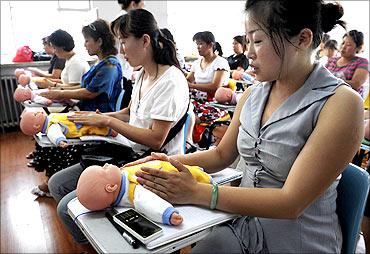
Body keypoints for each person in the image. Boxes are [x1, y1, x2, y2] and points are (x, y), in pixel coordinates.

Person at [129, 1, 364, 253]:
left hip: (298, 240)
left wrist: (198, 192)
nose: (249, 52)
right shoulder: (253, 94)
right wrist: (163, 163)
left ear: (303, 38)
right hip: (243, 226)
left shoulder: (341, 104)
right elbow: (221, 154)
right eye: (247, 41)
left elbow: (290, 202)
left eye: (258, 41)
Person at [48, 9, 189, 244]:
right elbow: (128, 113)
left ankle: (104, 243)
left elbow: (156, 139)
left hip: (153, 165)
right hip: (127, 153)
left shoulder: (171, 81)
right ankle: (99, 242)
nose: (122, 50)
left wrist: (107, 120)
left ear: (145, 40)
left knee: (66, 208)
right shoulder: (143, 74)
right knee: (57, 184)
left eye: (124, 42)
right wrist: (96, 117)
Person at [76, 161, 212, 225]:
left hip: (168, 166)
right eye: (103, 169)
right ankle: (204, 176)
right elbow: (150, 203)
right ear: (111, 187)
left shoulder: (122, 178)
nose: (105, 164)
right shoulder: (134, 191)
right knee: (197, 175)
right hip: (178, 177)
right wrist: (167, 214)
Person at [41, 19, 123, 113]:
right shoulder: (100, 62)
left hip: (98, 115)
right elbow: (84, 86)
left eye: (87, 41)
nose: (84, 45)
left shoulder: (110, 66)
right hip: (86, 111)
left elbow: (89, 93)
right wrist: (59, 89)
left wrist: (61, 93)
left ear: (99, 41)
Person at [186, 31, 230, 144]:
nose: (198, 47)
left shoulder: (220, 62)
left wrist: (192, 86)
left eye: (200, 43)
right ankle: (189, 140)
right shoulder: (197, 63)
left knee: (189, 115)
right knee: (182, 109)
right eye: (197, 44)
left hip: (215, 102)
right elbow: (188, 80)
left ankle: (191, 140)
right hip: (198, 100)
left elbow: (215, 87)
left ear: (210, 45)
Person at [19, 111, 118, 148]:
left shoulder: (50, 117)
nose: (39, 112)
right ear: (36, 126)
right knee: (95, 128)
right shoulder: (51, 127)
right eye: (36, 114)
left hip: (77, 119)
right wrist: (60, 141)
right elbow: (55, 135)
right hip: (80, 126)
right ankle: (110, 131)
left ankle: (111, 124)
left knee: (95, 118)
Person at [326, 30, 369, 97]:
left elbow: (356, 84)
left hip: (348, 100)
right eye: (343, 43)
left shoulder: (362, 62)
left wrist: (329, 80)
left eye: (348, 45)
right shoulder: (332, 60)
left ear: (358, 48)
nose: (343, 47)